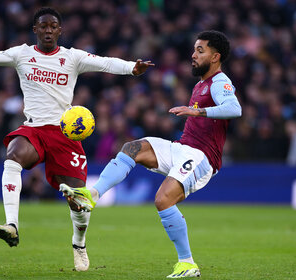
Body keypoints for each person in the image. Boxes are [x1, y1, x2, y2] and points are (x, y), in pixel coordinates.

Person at [0, 7, 153, 272]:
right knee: (13, 155)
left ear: (60, 31)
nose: (48, 30)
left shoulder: (72, 57)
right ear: (35, 30)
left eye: (53, 26)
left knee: (80, 202)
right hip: (34, 129)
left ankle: (79, 245)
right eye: (43, 26)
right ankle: (12, 225)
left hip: (65, 134)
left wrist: (132, 68)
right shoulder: (22, 54)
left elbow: (105, 62)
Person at [60, 30, 242, 278]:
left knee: (162, 199)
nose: (193, 54)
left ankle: (187, 263)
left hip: (201, 157)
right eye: (194, 49)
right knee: (133, 148)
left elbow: (234, 108)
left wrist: (196, 112)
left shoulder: (220, 82)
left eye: (200, 50)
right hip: (182, 148)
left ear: (215, 56)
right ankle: (91, 196)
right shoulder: (201, 84)